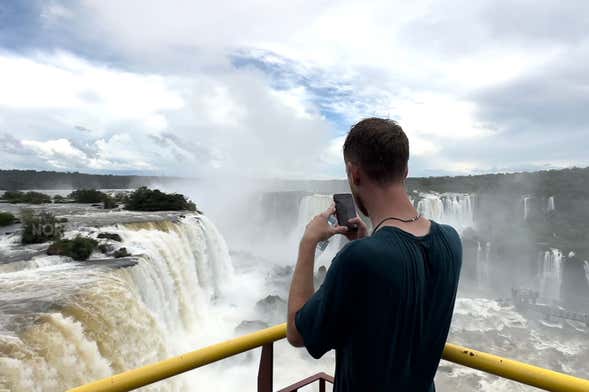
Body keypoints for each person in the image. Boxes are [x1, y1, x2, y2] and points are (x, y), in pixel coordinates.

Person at [287, 118, 462, 391]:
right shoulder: (451, 240)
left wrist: (308, 243)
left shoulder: (359, 259)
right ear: (405, 171)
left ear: (354, 174)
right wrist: (370, 242)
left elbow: (298, 334)